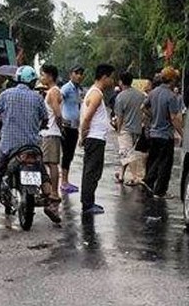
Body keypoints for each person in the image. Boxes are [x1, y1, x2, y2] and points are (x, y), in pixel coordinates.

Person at [0, 65, 60, 226]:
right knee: (43, 172)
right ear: (32, 82)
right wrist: (41, 126)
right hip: (32, 146)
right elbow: (44, 119)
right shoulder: (37, 98)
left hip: (9, 145)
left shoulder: (6, 94)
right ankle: (50, 204)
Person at [142, 66, 183, 199]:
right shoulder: (171, 96)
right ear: (172, 80)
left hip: (153, 133)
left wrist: (153, 115)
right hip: (165, 135)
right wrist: (182, 133)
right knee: (165, 164)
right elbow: (173, 118)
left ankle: (148, 182)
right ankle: (160, 191)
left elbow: (143, 107)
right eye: (176, 79)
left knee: (153, 160)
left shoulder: (153, 92)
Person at [79, 63, 115, 216]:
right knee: (92, 172)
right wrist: (83, 135)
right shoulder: (96, 94)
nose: (112, 81)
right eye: (111, 77)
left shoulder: (94, 92)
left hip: (95, 137)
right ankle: (87, 204)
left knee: (92, 171)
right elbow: (87, 117)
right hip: (94, 138)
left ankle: (89, 201)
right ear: (104, 77)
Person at [113, 71, 146, 186]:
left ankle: (134, 177)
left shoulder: (120, 97)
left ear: (121, 82)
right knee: (127, 153)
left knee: (127, 154)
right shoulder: (141, 95)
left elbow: (119, 117)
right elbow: (145, 112)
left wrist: (118, 130)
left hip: (125, 129)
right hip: (137, 129)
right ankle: (122, 174)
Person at [59, 64, 85, 194]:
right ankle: (63, 181)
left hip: (74, 126)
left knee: (70, 155)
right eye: (76, 73)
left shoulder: (78, 90)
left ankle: (66, 180)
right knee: (66, 154)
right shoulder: (66, 88)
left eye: (81, 73)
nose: (79, 76)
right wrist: (61, 118)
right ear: (71, 74)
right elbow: (58, 100)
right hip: (66, 126)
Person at [40, 64, 63, 202]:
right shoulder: (51, 91)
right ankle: (50, 190)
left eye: (43, 75)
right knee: (48, 162)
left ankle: (54, 192)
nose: (41, 77)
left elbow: (58, 114)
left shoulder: (53, 91)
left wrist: (59, 128)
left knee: (52, 163)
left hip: (51, 132)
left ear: (50, 76)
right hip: (49, 132)